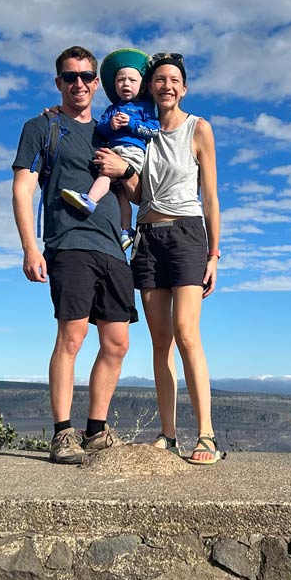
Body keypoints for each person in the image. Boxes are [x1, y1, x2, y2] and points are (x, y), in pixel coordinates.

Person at [11, 46, 138, 464]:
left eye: (86, 76)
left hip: (113, 248)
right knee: (73, 335)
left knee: (117, 343)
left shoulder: (110, 131)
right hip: (70, 242)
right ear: (58, 82)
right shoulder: (41, 127)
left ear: (96, 82)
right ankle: (63, 433)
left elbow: (132, 191)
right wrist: (31, 245)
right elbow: (24, 188)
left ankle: (96, 431)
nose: (79, 84)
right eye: (70, 77)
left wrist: (126, 169)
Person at [97, 52, 222, 464]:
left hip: (186, 234)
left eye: (174, 80)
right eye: (160, 80)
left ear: (183, 88)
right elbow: (136, 194)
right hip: (148, 237)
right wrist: (121, 170)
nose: (167, 85)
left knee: (187, 333)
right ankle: (167, 435)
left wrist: (214, 254)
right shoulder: (143, 135)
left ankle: (205, 434)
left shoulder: (197, 128)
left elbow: (211, 197)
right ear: (152, 88)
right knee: (160, 342)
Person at [60, 47, 159, 252]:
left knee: (109, 176)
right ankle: (126, 229)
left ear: (142, 86)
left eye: (132, 80)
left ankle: (90, 200)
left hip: (132, 152)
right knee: (119, 193)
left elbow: (153, 130)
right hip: (114, 150)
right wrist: (111, 125)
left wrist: (131, 124)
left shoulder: (144, 108)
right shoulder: (111, 109)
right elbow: (101, 129)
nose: (126, 84)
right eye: (121, 80)